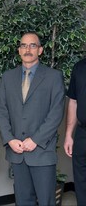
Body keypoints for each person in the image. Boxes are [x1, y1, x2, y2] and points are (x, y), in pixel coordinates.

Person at [0, 32, 65, 206]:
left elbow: (56, 113)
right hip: (17, 152)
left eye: (32, 45)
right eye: (24, 46)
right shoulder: (8, 77)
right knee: (22, 200)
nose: (28, 49)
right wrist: (10, 139)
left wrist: (36, 139)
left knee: (46, 201)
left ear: (40, 50)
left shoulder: (53, 77)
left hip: (42, 151)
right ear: (19, 50)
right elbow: (1, 110)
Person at [64, 58, 86, 205]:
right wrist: (68, 135)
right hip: (82, 134)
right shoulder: (79, 67)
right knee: (81, 181)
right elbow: (73, 101)